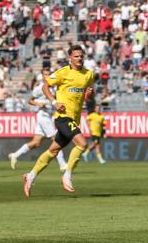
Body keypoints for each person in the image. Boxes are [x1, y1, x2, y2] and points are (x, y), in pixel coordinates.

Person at [23, 45, 95, 197]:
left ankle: (31, 175)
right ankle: (67, 175)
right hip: (62, 117)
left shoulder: (88, 75)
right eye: (76, 56)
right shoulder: (63, 72)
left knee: (53, 151)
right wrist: (54, 102)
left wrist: (90, 94)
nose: (79, 58)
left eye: (81, 55)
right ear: (70, 58)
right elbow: (45, 87)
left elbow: (87, 97)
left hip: (74, 119)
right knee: (82, 144)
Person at [8, 68, 68, 171]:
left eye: (49, 74)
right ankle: (62, 164)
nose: (47, 76)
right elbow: (30, 100)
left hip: (48, 116)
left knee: (36, 142)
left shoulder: (53, 88)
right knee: (56, 139)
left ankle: (15, 155)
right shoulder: (39, 88)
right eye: (45, 74)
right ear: (42, 76)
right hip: (43, 116)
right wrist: (38, 104)